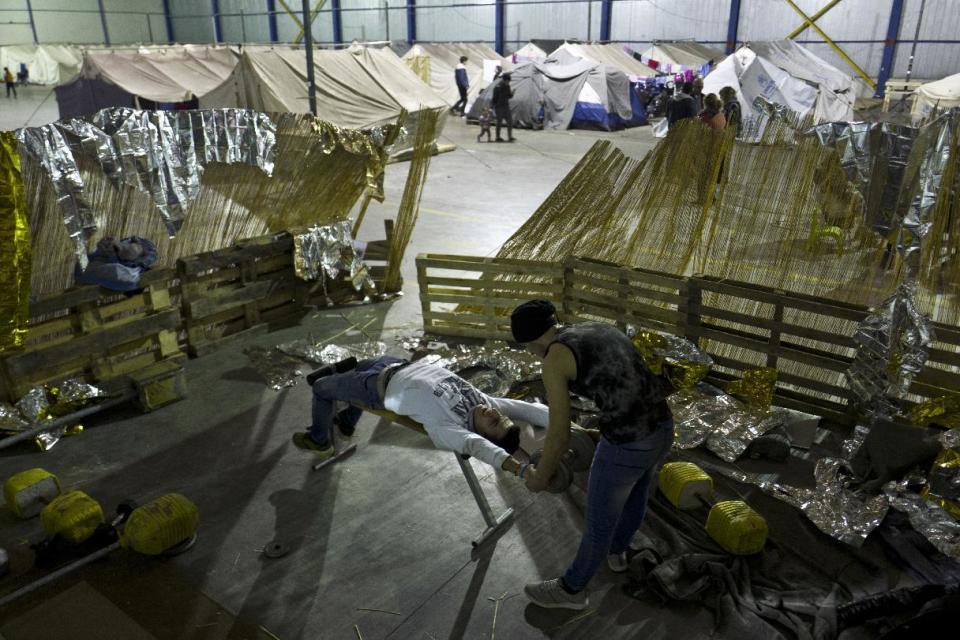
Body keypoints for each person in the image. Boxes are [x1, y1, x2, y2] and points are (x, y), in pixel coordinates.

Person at [510, 300, 674, 610]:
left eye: (528, 347)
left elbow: (558, 434)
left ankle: (572, 590)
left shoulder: (553, 360)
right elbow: (627, 384)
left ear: (530, 342)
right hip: (662, 428)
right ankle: (618, 552)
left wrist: (540, 476)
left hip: (628, 441)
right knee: (637, 493)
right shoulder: (592, 328)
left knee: (599, 521)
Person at [294, 355, 554, 476]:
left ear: (481, 433)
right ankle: (346, 424)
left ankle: (320, 441)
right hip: (396, 364)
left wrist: (518, 469)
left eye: (493, 422)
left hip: (377, 387)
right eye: (499, 415)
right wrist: (571, 426)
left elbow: (478, 447)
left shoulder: (451, 428)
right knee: (360, 363)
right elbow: (531, 410)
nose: (493, 412)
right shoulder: (485, 403)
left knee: (320, 387)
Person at [492, 72, 515, 142]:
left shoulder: (507, 86)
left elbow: (509, 96)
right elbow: (494, 98)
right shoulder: (497, 87)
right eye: (508, 81)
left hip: (506, 106)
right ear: (505, 80)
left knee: (510, 121)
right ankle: (497, 137)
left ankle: (510, 136)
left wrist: (512, 94)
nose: (508, 82)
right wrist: (493, 107)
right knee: (499, 122)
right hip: (499, 107)